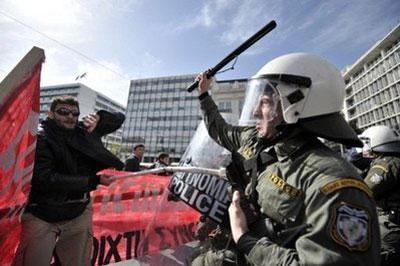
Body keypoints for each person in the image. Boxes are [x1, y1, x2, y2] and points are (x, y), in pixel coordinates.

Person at [196, 53, 380, 265]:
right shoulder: (256, 139)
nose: (255, 112)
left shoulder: (335, 184)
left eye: (265, 103)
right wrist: (204, 95)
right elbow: (220, 130)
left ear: (296, 105)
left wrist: (246, 240)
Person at [13, 96, 125, 266]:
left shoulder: (84, 132)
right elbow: (44, 179)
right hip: (42, 214)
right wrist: (93, 181)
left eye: (75, 113)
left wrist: (100, 118)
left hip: (78, 213)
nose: (70, 116)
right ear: (50, 113)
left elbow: (119, 118)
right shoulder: (40, 138)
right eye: (63, 112)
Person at [361, 125, 400, 266]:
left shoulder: (385, 165)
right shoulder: (395, 160)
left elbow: (364, 191)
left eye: (367, 142)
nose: (364, 147)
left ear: (377, 142)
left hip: (389, 228)